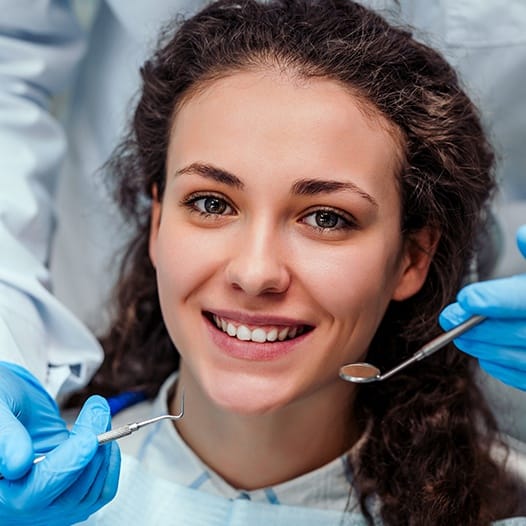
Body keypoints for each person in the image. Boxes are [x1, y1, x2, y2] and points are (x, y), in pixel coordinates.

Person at [0, 0, 525, 522]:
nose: (254, 274)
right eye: (211, 203)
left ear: (412, 257)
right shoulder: (34, 486)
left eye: (325, 218)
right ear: (157, 221)